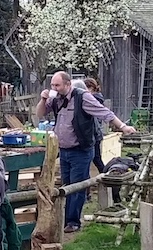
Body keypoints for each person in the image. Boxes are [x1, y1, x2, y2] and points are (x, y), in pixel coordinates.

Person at [35, 71, 136, 232]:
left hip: (80, 150)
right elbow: (40, 114)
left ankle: (73, 222)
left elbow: (104, 112)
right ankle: (67, 220)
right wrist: (43, 99)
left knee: (77, 186)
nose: (54, 88)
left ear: (68, 84)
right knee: (66, 186)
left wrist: (123, 126)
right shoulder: (56, 99)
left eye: (57, 85)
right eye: (52, 85)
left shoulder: (82, 97)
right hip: (64, 150)